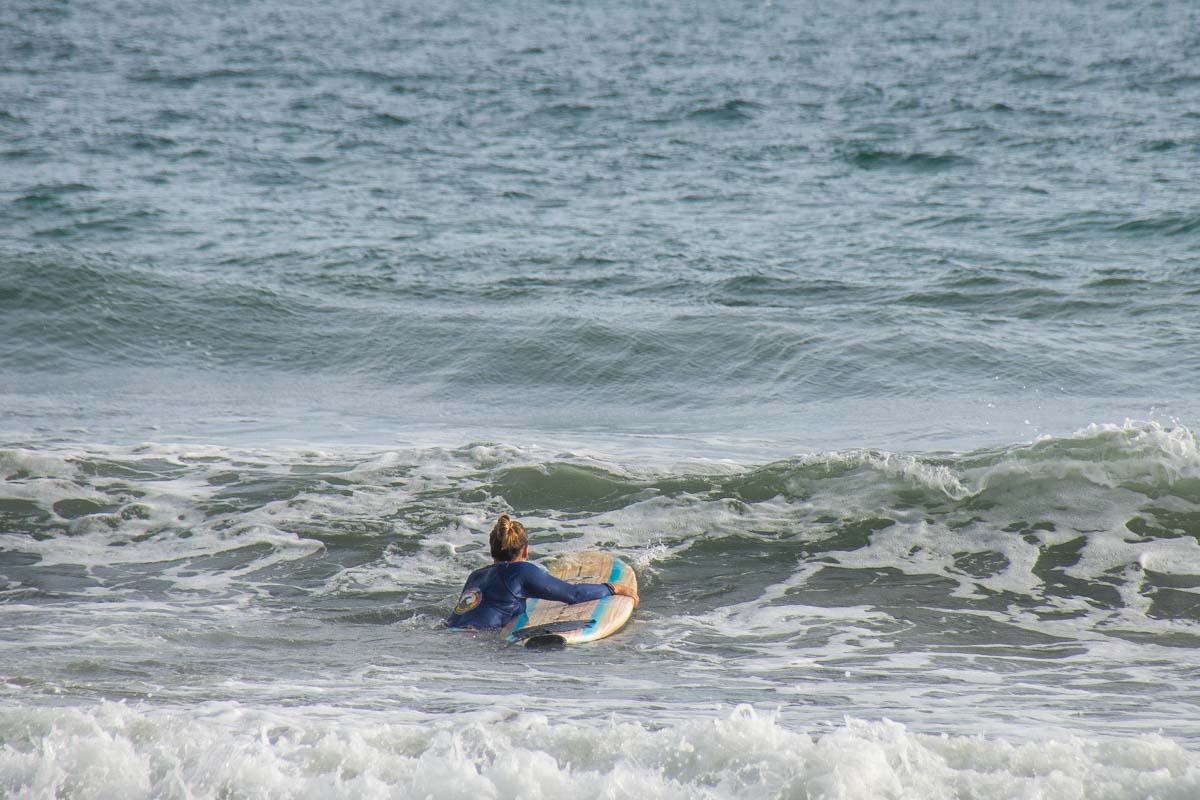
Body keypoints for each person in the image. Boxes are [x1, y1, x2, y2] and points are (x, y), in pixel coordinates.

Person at [447, 514, 638, 630]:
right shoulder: (521, 571)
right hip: (476, 639)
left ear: (492, 548)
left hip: (451, 632)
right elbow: (574, 594)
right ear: (525, 550)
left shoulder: (476, 575)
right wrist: (614, 588)